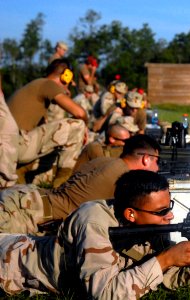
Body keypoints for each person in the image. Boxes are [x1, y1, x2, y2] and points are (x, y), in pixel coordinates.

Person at [0, 170, 190, 298]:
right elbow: (105, 295)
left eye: (170, 207)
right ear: (131, 214)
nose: (169, 216)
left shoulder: (152, 226)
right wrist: (165, 259)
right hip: (9, 264)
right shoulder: (93, 221)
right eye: (162, 211)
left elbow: (168, 280)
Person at [0, 134, 160, 235]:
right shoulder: (126, 178)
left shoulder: (104, 161)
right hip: (28, 215)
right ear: (146, 158)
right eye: (157, 162)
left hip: (28, 198)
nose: (157, 168)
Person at [4, 58, 88, 188]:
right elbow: (80, 113)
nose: (69, 86)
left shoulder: (35, 86)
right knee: (77, 126)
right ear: (65, 77)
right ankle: (61, 189)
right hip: (15, 145)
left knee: (53, 158)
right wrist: (85, 128)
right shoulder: (47, 84)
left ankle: (23, 171)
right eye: (68, 82)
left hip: (11, 148)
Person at [73, 119, 139, 171]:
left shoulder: (113, 149)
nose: (127, 144)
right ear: (112, 139)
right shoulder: (95, 148)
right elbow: (108, 169)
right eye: (125, 141)